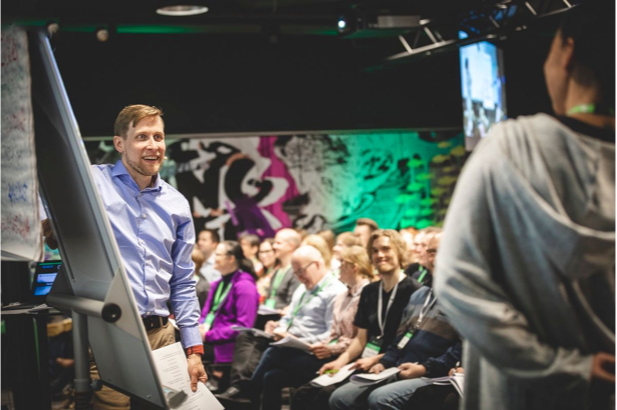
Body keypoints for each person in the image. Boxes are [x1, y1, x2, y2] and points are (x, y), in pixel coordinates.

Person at [434, 3, 615, 410]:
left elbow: (457, 282)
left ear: (567, 52)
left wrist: (561, 367)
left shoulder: (514, 148)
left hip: (517, 394)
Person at [41, 105, 207, 408]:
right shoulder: (90, 182)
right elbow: (42, 199)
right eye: (142, 137)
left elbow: (183, 282)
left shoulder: (177, 204)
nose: (153, 145)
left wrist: (193, 350)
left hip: (162, 336)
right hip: (109, 334)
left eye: (158, 137)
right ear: (120, 143)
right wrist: (48, 221)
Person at [328, 232, 458, 410]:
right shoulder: (420, 295)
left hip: (432, 372)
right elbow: (401, 338)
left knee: (380, 399)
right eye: (432, 252)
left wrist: (425, 368)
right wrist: (385, 362)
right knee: (340, 398)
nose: (435, 259)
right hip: (400, 366)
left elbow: (462, 349)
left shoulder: (463, 298)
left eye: (443, 251)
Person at [293, 230, 420, 410]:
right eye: (375, 251)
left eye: (386, 249)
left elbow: (410, 343)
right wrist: (340, 362)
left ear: (399, 251)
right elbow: (360, 339)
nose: (380, 255)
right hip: (363, 360)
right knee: (306, 391)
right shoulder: (370, 291)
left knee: (327, 396)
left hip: (393, 362)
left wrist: (378, 359)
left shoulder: (415, 291)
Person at [249, 245, 348, 410]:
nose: (300, 277)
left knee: (273, 353)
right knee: (271, 376)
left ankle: (247, 396)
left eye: (301, 271)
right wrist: (278, 326)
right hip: (292, 348)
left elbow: (331, 335)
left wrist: (296, 340)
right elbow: (289, 317)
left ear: (317, 264)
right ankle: (249, 396)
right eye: (296, 273)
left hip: (316, 353)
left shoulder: (335, 292)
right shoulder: (302, 289)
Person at [216, 228, 302, 400]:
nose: (274, 246)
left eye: (278, 243)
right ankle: (238, 386)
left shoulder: (295, 272)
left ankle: (243, 388)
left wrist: (280, 315)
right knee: (245, 334)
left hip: (283, 323)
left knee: (250, 338)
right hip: (269, 319)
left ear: (291, 246)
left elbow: (295, 305)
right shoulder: (278, 270)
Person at [199, 241, 260, 363]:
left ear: (231, 259)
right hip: (210, 340)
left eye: (218, 254)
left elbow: (243, 326)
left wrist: (208, 335)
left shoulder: (245, 286)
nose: (214, 258)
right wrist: (199, 327)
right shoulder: (217, 284)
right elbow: (205, 314)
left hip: (227, 347)